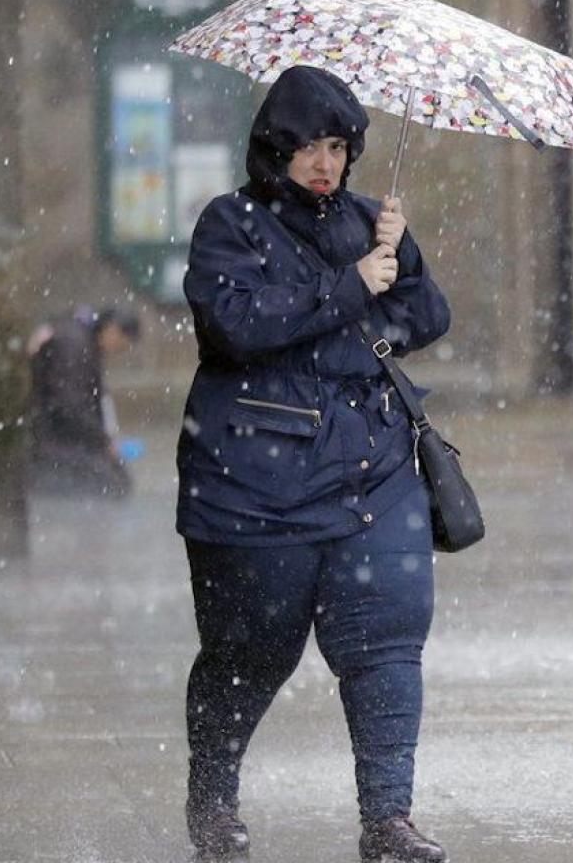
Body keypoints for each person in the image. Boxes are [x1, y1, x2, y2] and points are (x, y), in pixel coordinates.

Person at [176, 66, 451, 862]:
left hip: (373, 471)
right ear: (273, 149)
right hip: (255, 482)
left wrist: (398, 258)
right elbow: (235, 326)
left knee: (388, 642)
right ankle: (213, 795)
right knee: (249, 653)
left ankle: (388, 820)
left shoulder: (372, 222)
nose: (324, 163)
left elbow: (427, 313)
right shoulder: (230, 225)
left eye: (336, 146)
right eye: (305, 147)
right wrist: (350, 288)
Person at [27, 306, 140, 497]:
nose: (118, 352)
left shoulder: (83, 341)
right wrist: (103, 441)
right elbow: (69, 406)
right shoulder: (73, 346)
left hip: (65, 436)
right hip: (52, 441)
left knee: (118, 479)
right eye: (121, 346)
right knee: (114, 485)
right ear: (112, 331)